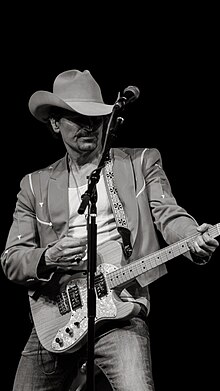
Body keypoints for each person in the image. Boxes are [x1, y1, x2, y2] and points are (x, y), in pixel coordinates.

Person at [1, 69, 219, 391]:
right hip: (58, 315)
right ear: (55, 122)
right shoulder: (35, 185)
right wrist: (47, 257)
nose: (89, 126)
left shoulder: (139, 162)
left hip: (121, 306)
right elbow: (12, 259)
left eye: (96, 117)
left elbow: (168, 214)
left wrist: (190, 236)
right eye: (77, 117)